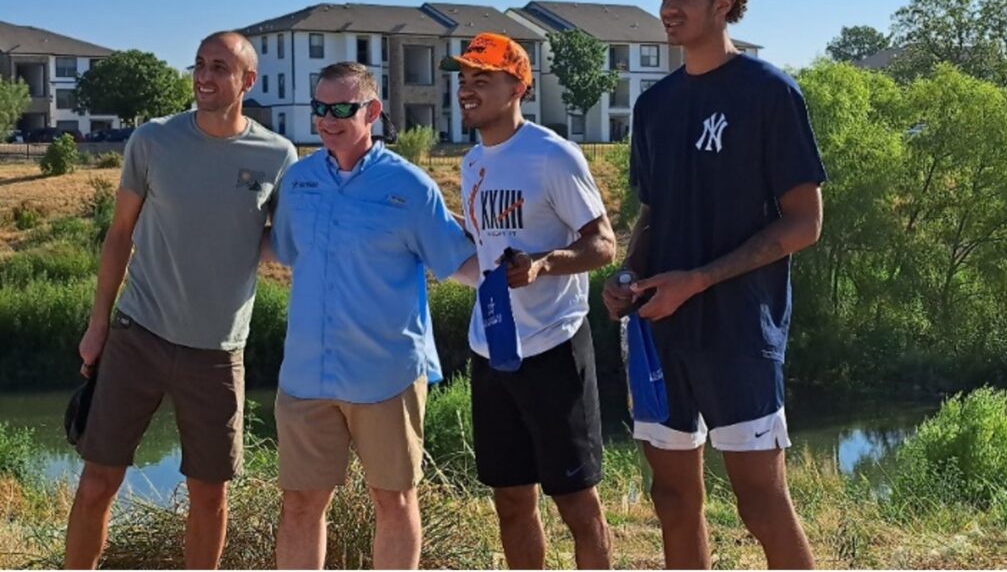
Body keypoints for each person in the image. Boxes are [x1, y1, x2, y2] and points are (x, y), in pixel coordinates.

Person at [603, 0, 827, 569]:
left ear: (724, 4)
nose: (670, 8)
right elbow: (654, 212)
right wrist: (628, 272)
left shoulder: (768, 93)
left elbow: (805, 222)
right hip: (661, 331)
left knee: (760, 503)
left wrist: (698, 279)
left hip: (738, 331)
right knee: (672, 496)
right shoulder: (653, 106)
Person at [65, 31, 297, 569]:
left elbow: (281, 240)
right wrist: (98, 324)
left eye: (219, 67)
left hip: (218, 351)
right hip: (137, 335)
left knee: (210, 495)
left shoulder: (277, 155)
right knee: (99, 479)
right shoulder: (153, 140)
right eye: (199, 65)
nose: (204, 77)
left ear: (248, 81)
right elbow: (120, 234)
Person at [269, 62, 477, 570]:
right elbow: (278, 250)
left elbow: (461, 264)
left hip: (387, 375)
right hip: (306, 375)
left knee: (394, 501)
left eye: (341, 108)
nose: (327, 119)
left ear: (373, 112)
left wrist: (537, 267)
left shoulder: (410, 187)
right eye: (319, 108)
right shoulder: (296, 181)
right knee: (300, 505)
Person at [442, 33, 617, 569]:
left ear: (518, 86)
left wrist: (543, 264)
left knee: (577, 504)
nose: (467, 90)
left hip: (553, 347)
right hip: (492, 347)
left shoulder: (551, 156)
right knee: (511, 501)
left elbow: (604, 244)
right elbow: (485, 245)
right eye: (464, 79)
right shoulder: (472, 162)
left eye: (483, 79)